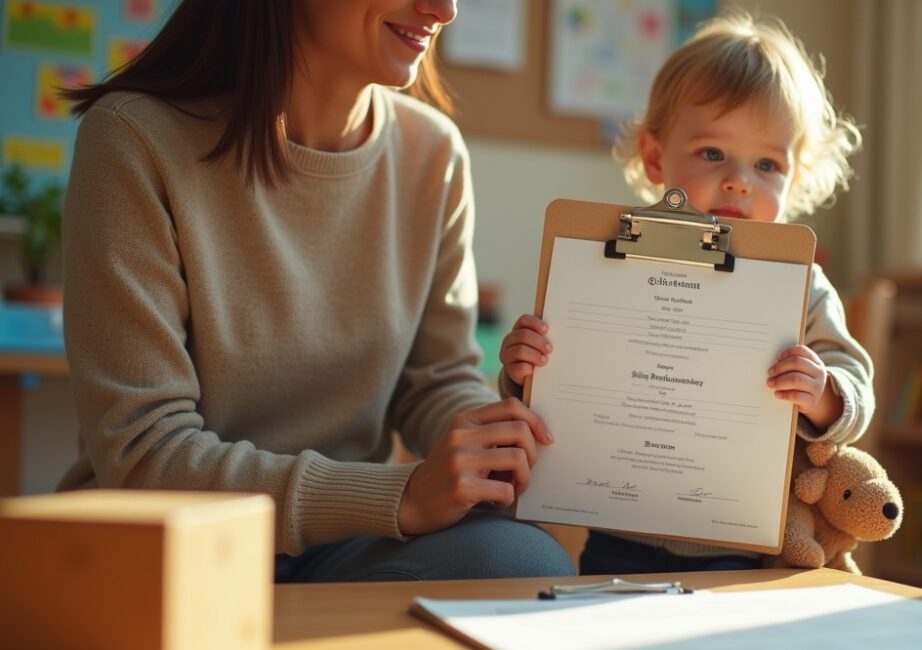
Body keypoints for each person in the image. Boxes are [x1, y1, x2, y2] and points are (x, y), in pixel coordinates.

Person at [57, 0, 575, 582]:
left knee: (524, 563)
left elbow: (435, 380)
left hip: (346, 542)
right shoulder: (134, 139)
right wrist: (400, 494)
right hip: (171, 550)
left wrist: (494, 445)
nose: (445, 11)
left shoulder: (433, 152)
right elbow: (143, 451)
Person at [498, 10, 874, 574]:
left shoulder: (801, 284)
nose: (739, 180)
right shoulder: (611, 263)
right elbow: (573, 371)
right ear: (655, 158)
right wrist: (525, 370)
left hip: (751, 548)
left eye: (768, 163)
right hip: (619, 530)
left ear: (793, 180)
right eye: (713, 153)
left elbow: (855, 381)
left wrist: (824, 393)